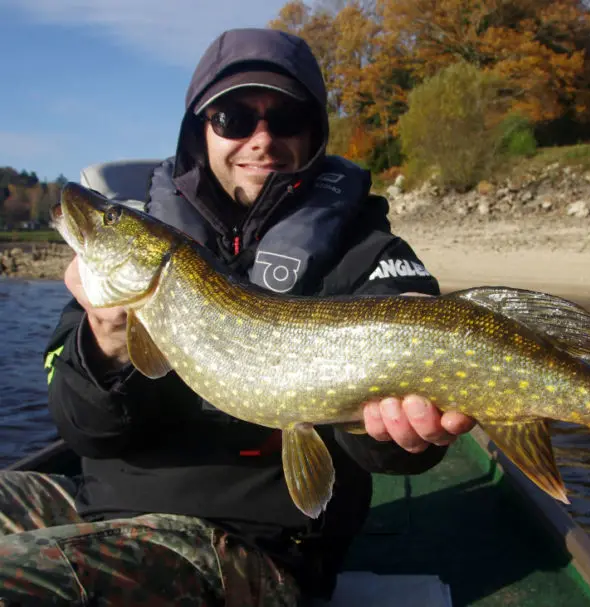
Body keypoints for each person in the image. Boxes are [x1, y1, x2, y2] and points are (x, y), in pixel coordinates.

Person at [0, 27, 475, 606]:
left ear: (315, 132)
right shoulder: (147, 251)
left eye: (288, 118)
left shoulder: (367, 254)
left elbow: (391, 447)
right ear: (200, 131)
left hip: (250, 547)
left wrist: (403, 436)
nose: (262, 139)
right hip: (102, 508)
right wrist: (105, 341)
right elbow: (86, 431)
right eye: (233, 118)